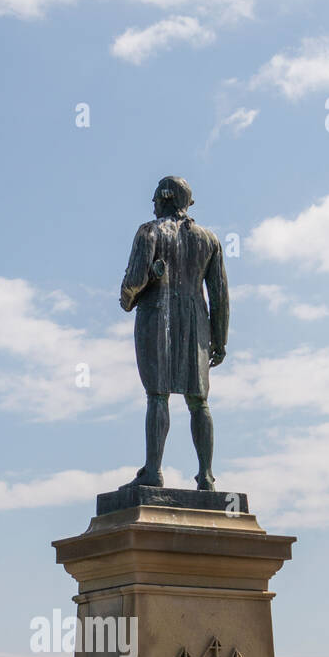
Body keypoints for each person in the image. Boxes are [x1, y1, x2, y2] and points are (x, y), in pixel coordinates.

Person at [120, 176, 229, 491]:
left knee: (158, 396)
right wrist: (219, 340)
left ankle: (153, 471)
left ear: (165, 198)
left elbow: (132, 283)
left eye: (154, 198)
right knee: (199, 401)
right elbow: (220, 295)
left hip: (157, 319)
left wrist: (129, 298)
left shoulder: (149, 232)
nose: (152, 205)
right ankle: (206, 476)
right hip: (197, 325)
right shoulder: (209, 239)